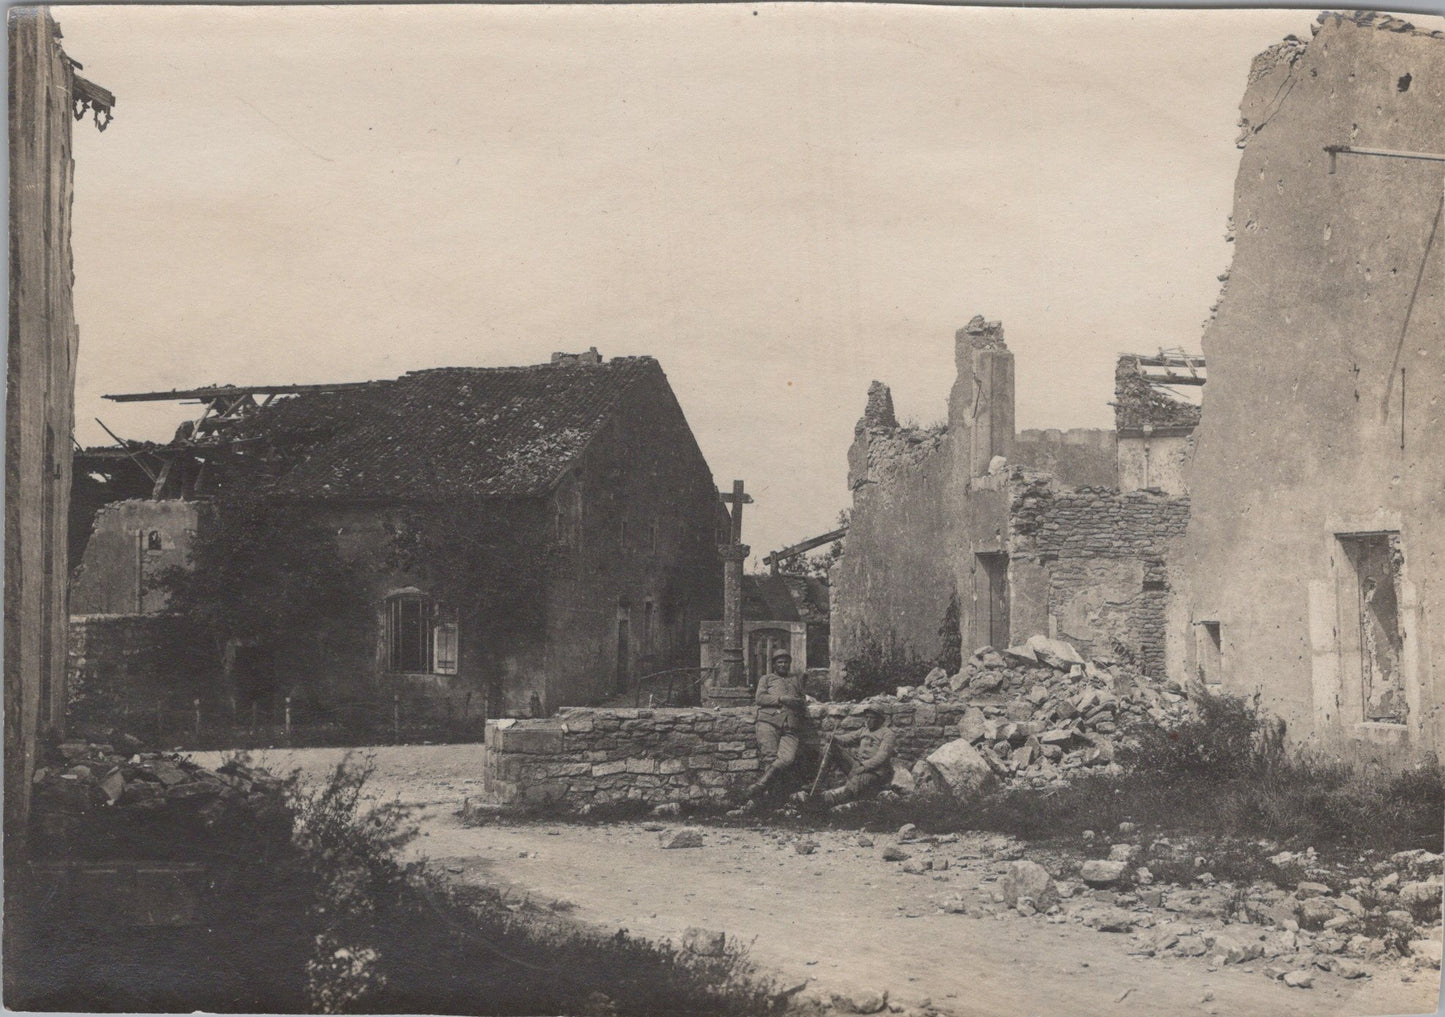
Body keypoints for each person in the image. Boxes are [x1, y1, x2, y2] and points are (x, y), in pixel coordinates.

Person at [795, 705, 896, 809]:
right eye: (867, 717)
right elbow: (847, 738)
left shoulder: (887, 734)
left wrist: (863, 767)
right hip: (857, 766)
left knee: (856, 783)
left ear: (879, 719)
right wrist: (834, 738)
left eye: (871, 718)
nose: (868, 720)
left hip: (875, 772)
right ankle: (818, 784)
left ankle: (830, 803)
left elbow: (882, 757)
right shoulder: (864, 730)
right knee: (830, 747)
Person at [746, 650, 806, 799]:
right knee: (770, 758)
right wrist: (781, 699)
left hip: (791, 724)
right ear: (774, 665)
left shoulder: (796, 680)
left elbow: (802, 699)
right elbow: (759, 698)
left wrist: (799, 702)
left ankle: (760, 785)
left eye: (785, 662)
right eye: (779, 662)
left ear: (789, 664)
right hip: (768, 721)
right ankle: (772, 798)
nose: (783, 665)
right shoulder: (766, 679)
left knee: (787, 758)